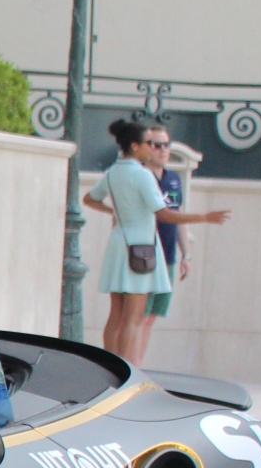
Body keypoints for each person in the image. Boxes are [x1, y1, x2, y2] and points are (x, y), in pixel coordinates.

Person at [86, 120, 229, 363]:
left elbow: (90, 198)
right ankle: (127, 373)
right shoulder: (142, 175)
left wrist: (117, 213)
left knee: (116, 315)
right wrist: (204, 217)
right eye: (147, 144)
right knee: (133, 317)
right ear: (134, 146)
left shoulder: (113, 172)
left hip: (119, 244)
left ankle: (108, 369)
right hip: (140, 248)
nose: (151, 148)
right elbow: (163, 213)